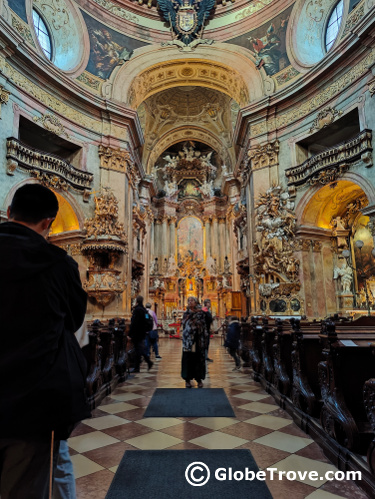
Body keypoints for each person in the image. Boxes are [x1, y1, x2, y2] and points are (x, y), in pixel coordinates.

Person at [0, 183, 91, 499]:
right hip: (32, 396)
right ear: (50, 223)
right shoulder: (59, 263)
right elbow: (74, 319)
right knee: (24, 487)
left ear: (10, 213)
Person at [181, 297, 208, 388]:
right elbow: (184, 323)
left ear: (196, 302)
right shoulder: (186, 313)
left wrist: (195, 325)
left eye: (191, 301)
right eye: (188, 301)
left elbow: (203, 325)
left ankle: (199, 379)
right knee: (187, 359)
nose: (190, 302)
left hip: (198, 339)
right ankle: (187, 379)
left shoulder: (200, 313)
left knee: (198, 359)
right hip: (188, 340)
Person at [129, 295, 154, 372]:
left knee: (138, 349)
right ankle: (140, 365)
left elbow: (134, 323)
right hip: (142, 332)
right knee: (139, 350)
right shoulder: (143, 310)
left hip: (137, 333)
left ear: (136, 301)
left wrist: (130, 334)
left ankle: (147, 362)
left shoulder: (137, 310)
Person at [202, 298, 213, 362]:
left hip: (207, 329)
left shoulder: (207, 310)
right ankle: (204, 356)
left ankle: (205, 356)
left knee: (206, 343)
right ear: (206, 303)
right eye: (209, 303)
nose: (210, 304)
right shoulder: (204, 310)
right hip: (204, 329)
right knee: (205, 343)